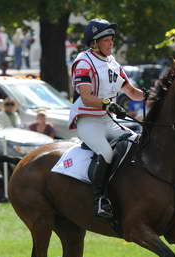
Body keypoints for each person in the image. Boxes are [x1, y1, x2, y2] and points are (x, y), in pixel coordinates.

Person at [68, 19, 147, 219]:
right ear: (94, 43)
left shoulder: (113, 63)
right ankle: (99, 200)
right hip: (88, 120)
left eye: (112, 40)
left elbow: (131, 91)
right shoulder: (83, 62)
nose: (112, 43)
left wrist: (152, 95)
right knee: (106, 152)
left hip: (107, 119)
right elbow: (86, 97)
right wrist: (108, 104)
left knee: (134, 142)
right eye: (107, 40)